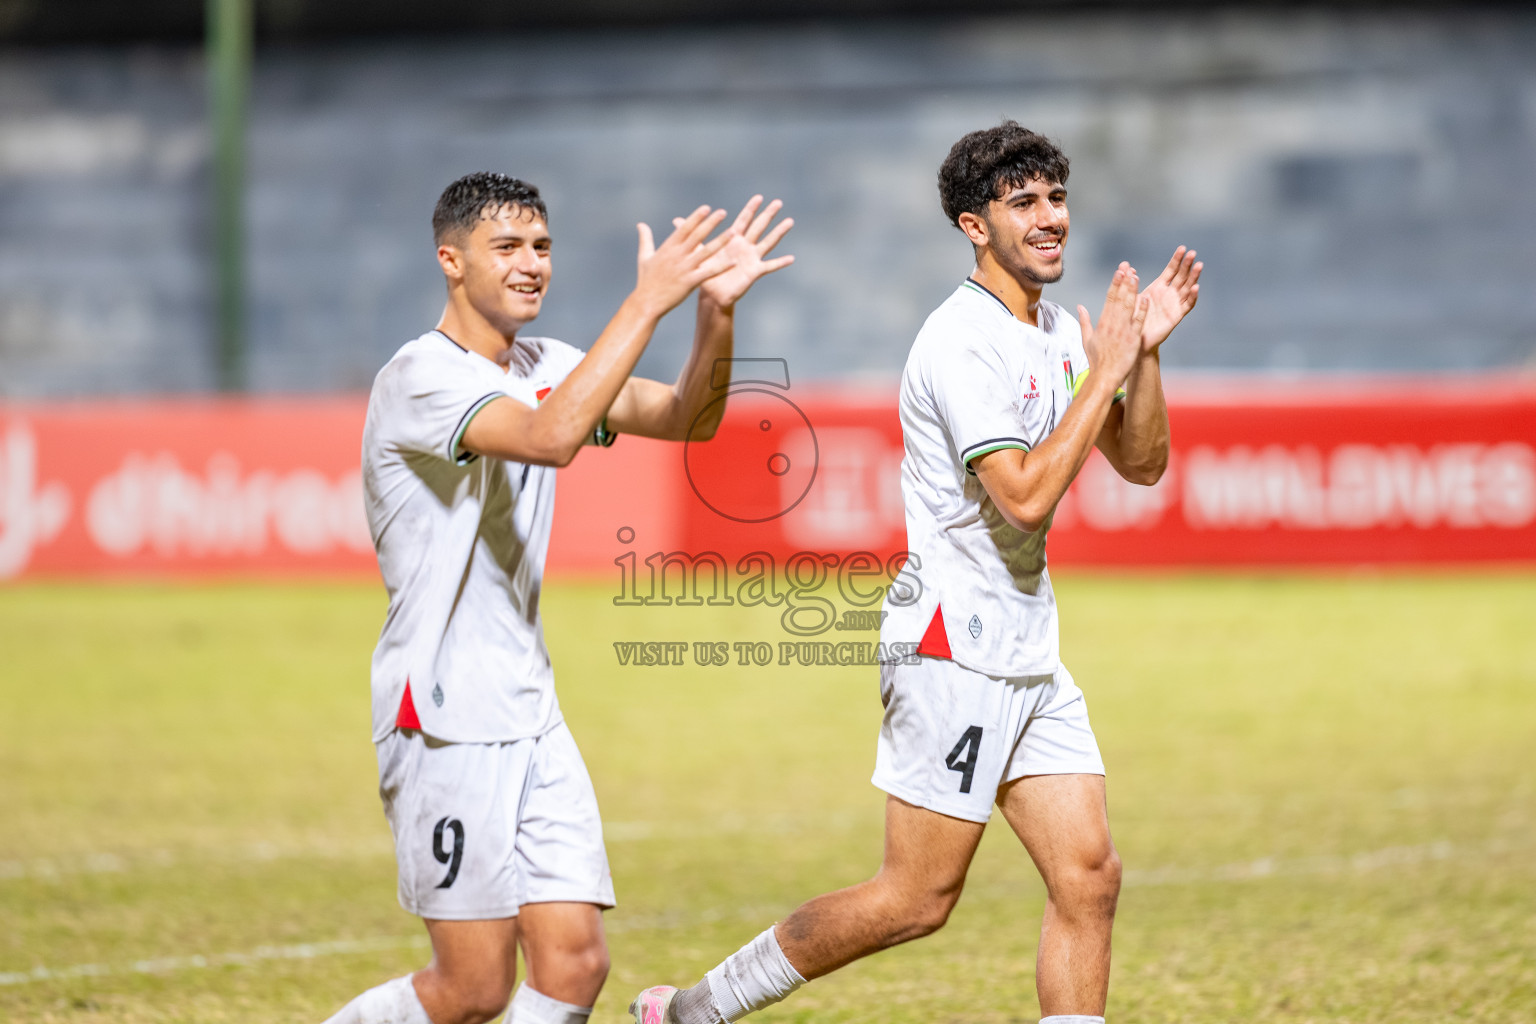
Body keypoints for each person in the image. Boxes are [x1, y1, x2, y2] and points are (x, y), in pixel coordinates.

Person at [629, 121, 1201, 1024]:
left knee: (1088, 874)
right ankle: (698, 1008)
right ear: (976, 226)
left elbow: (1143, 463)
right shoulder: (960, 341)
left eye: (1056, 198)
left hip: (1026, 647)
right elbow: (1021, 496)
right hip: (951, 647)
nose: (1050, 219)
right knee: (915, 900)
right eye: (1024, 204)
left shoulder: (1053, 329)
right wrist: (1106, 376)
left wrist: (1147, 355)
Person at [324, 172, 793, 1024]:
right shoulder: (419, 377)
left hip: (530, 708)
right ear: (451, 262)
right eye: (507, 248)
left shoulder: (553, 365)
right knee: (471, 990)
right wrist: (646, 302)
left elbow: (690, 417)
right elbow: (549, 435)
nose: (532, 264)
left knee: (575, 965)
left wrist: (714, 312)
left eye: (542, 247)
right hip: (440, 711)